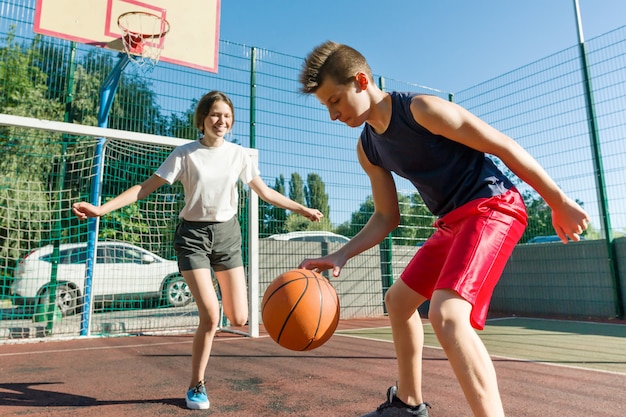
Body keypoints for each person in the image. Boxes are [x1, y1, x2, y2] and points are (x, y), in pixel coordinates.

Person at [297, 41, 590, 417]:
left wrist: (557, 200)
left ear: (361, 80)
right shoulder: (368, 148)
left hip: (492, 207)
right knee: (398, 301)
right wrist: (340, 253)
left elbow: (501, 145)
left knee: (447, 316)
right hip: (452, 223)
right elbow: (387, 217)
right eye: (326, 106)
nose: (333, 115)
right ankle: (408, 403)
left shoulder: (421, 110)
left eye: (335, 101)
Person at [72, 90, 323, 410]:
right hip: (192, 238)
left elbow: (265, 191)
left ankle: (217, 320)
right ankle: (196, 385)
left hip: (228, 237)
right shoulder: (185, 154)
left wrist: (301, 209)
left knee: (240, 317)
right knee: (211, 315)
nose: (222, 121)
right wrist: (101, 209)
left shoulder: (239, 155)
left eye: (227, 116)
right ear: (202, 119)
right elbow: (144, 189)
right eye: (216, 115)